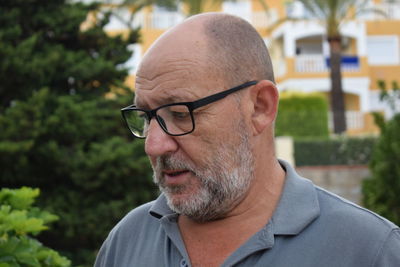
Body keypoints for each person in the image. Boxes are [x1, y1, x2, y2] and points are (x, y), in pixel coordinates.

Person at [95, 13, 400, 267]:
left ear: (260, 107)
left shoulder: (370, 251)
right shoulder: (126, 242)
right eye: (147, 118)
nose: (154, 145)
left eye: (180, 113)